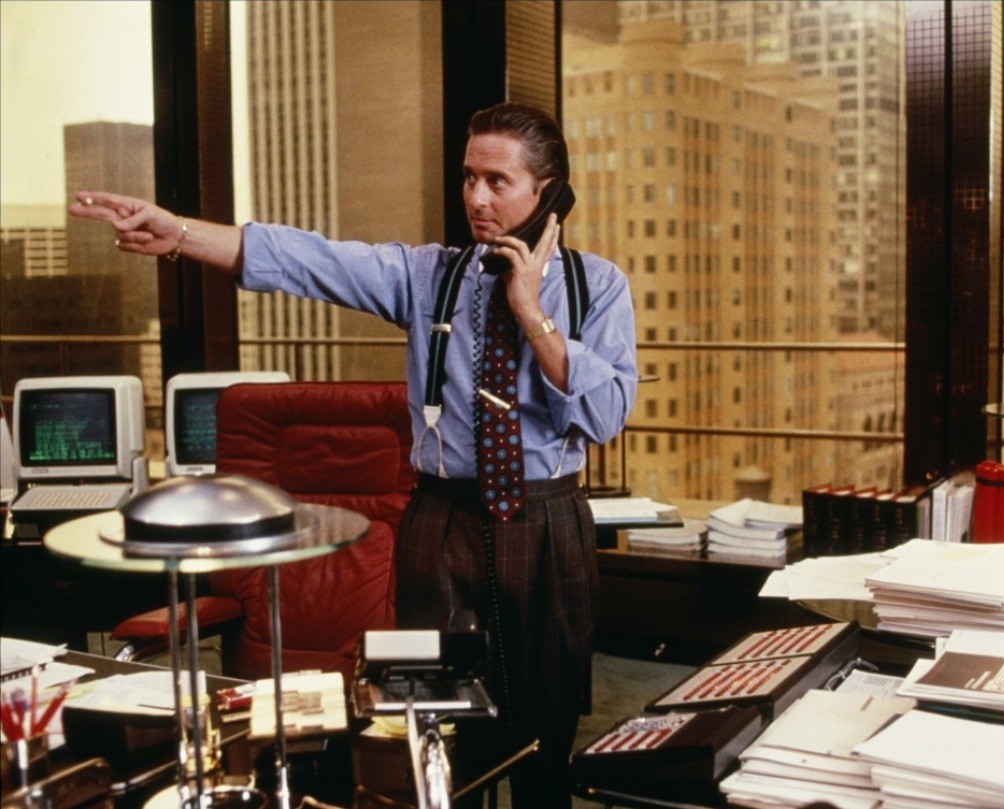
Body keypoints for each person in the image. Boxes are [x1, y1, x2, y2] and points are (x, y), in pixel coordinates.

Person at [70, 101, 638, 808]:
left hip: (548, 522)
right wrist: (180, 233)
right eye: (469, 177)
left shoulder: (597, 287)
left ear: (548, 193)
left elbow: (605, 415)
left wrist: (532, 312)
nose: (476, 198)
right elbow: (306, 259)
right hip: (441, 523)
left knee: (543, 740)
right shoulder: (430, 276)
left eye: (498, 181)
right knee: (433, 737)